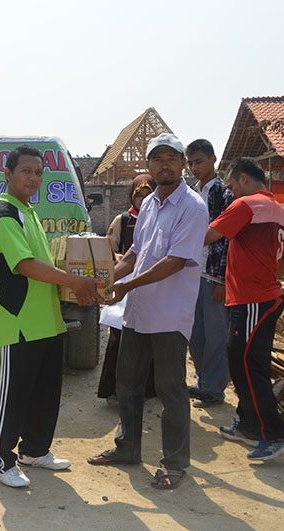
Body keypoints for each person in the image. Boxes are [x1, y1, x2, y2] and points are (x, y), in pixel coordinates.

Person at [88, 134, 208, 490]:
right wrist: (107, 278)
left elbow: (176, 261)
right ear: (149, 166)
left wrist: (125, 286)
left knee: (171, 390)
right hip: (138, 313)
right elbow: (134, 254)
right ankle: (127, 447)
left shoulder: (193, 206)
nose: (164, 164)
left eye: (172, 158)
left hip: (169, 316)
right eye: (158, 159)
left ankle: (174, 462)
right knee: (127, 383)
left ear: (182, 164)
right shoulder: (150, 205)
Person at [0, 144, 102, 488]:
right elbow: (23, 265)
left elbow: (46, 263)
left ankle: (34, 450)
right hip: (18, 321)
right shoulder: (4, 215)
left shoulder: (28, 213)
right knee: (12, 395)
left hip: (47, 320)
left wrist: (73, 281)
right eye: (26, 171)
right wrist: (74, 281)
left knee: (45, 390)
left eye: (38, 172)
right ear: (8, 174)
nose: (33, 178)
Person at [205, 157, 284, 461]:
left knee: (247, 365)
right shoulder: (281, 212)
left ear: (243, 179)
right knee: (242, 360)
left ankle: (277, 433)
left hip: (253, 299)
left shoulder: (246, 206)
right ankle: (249, 423)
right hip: (262, 297)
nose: (230, 192)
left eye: (230, 185)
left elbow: (208, 236)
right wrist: (267, 276)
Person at [98, 174, 157, 405]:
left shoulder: (162, 218)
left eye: (148, 195)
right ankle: (113, 390)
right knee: (118, 337)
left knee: (149, 338)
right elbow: (108, 247)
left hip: (152, 285)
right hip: (124, 285)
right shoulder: (123, 220)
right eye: (138, 195)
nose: (143, 200)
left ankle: (147, 389)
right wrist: (116, 258)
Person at [186, 139, 231, 408]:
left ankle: (214, 390)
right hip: (190, 273)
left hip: (213, 275)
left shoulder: (224, 194)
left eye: (199, 161)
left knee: (216, 334)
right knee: (195, 334)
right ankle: (204, 382)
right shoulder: (191, 192)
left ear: (213, 159)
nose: (194, 167)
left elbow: (227, 239)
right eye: (190, 163)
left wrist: (223, 278)